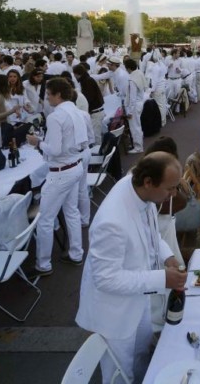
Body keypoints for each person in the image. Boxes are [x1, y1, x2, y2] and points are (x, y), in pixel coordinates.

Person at [76, 152, 186, 384]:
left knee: (141, 357)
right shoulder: (111, 221)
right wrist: (161, 279)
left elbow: (150, 231)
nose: (174, 194)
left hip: (138, 300)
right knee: (120, 374)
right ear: (148, 182)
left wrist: (167, 256)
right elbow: (106, 279)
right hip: (115, 313)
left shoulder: (138, 190)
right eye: (170, 188)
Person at [26, 77, 87, 277]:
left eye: (48, 94)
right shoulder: (77, 112)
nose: (46, 98)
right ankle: (76, 253)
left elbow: (54, 150)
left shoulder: (55, 116)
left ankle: (43, 264)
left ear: (58, 95)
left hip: (61, 172)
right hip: (75, 166)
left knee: (45, 219)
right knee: (71, 212)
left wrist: (37, 142)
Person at [73, 63, 105, 145]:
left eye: (75, 74)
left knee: (96, 137)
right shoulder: (87, 80)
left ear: (78, 74)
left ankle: (99, 156)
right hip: (96, 111)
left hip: (95, 112)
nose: (75, 77)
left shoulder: (87, 81)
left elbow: (88, 98)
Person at [0, 74, 21, 147]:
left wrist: (15, 111)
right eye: (7, 82)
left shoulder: (3, 94)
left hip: (4, 126)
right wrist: (12, 111)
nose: (9, 83)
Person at [124, 58, 147, 154]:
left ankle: (138, 147)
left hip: (134, 105)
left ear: (128, 68)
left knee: (135, 127)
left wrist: (129, 111)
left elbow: (132, 98)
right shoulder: (139, 73)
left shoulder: (132, 79)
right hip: (140, 102)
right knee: (138, 125)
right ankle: (138, 144)